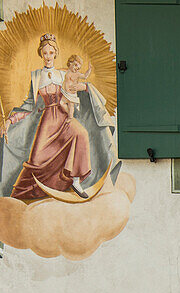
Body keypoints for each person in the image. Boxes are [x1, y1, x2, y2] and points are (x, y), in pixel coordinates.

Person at [0, 33, 114, 200]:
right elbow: (29, 105)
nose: (48, 57)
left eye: (51, 53)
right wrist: (10, 121)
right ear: (41, 54)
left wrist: (88, 89)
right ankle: (22, 196)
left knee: (81, 133)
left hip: (64, 116)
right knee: (37, 159)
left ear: (56, 53)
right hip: (47, 120)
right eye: (45, 53)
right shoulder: (36, 76)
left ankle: (75, 181)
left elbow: (74, 87)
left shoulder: (62, 74)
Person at [60, 54, 92, 119]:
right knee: (61, 103)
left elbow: (85, 76)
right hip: (66, 93)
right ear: (70, 63)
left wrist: (89, 69)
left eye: (78, 68)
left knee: (71, 106)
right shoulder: (67, 71)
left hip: (72, 94)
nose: (76, 69)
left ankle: (70, 117)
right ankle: (68, 114)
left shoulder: (77, 74)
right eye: (75, 65)